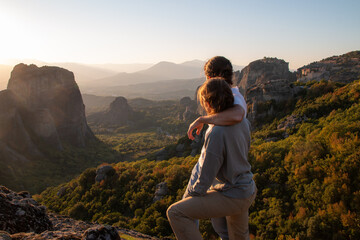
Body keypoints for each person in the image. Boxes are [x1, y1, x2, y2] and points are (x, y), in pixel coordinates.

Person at [167, 79, 256, 240]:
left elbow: (206, 176)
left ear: (207, 103)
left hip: (232, 195)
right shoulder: (243, 122)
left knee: (175, 212)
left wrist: (191, 196)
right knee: (238, 237)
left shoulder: (216, 133)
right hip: (247, 188)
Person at [187, 56, 248, 240]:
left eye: (208, 77)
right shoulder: (229, 93)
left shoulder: (234, 96)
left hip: (220, 172)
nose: (206, 81)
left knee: (184, 211)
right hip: (224, 174)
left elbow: (238, 115)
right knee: (222, 227)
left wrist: (202, 119)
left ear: (216, 76)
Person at [187, 56, 247, 141]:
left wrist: (202, 120)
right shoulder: (230, 95)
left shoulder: (235, 98)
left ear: (211, 79)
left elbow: (238, 115)